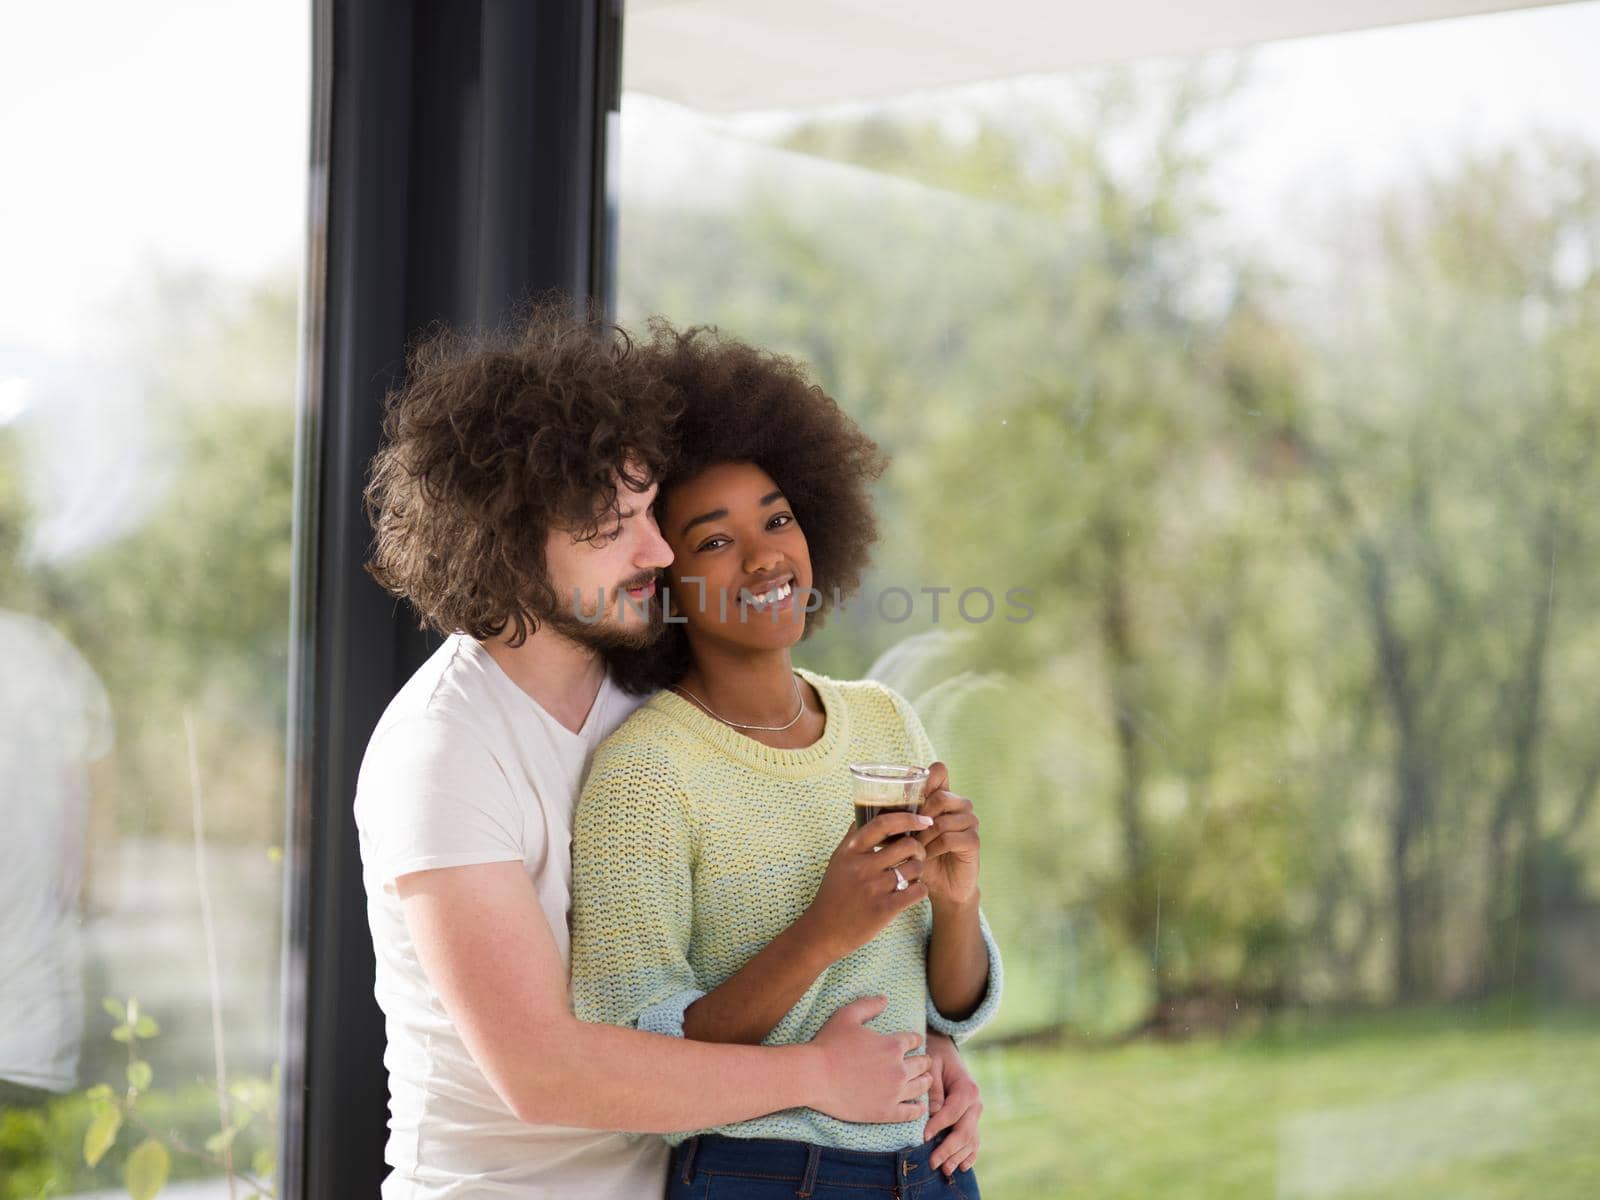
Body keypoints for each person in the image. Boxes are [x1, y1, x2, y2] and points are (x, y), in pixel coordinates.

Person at [354, 303, 983, 1199]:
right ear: (507, 542)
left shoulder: (645, 687)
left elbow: (755, 931)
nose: (654, 549)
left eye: (650, 511)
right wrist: (819, 1077)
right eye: (610, 526)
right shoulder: (443, 752)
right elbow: (544, 1076)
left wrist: (922, 1044)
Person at [570, 323, 1002, 1199]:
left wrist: (958, 904)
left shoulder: (883, 721)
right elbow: (641, 1059)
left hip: (932, 1169)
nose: (768, 555)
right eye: (716, 539)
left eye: (777, 518)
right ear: (667, 581)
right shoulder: (644, 776)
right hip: (763, 1176)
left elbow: (945, 1004)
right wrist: (822, 933)